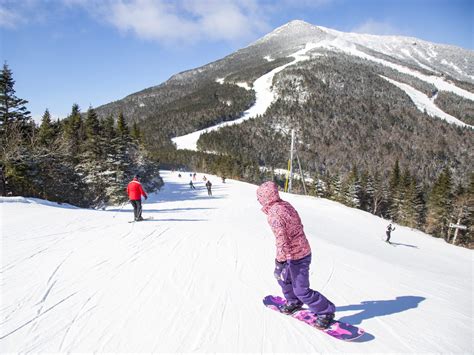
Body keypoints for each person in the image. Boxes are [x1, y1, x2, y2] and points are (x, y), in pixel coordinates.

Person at [256, 181, 336, 329]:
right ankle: (293, 301)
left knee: (301, 289)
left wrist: (279, 262)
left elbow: (282, 240)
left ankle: (326, 311)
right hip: (292, 254)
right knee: (284, 280)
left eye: (259, 198)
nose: (259, 201)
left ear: (265, 198)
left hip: (299, 256)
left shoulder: (274, 215)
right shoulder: (285, 204)